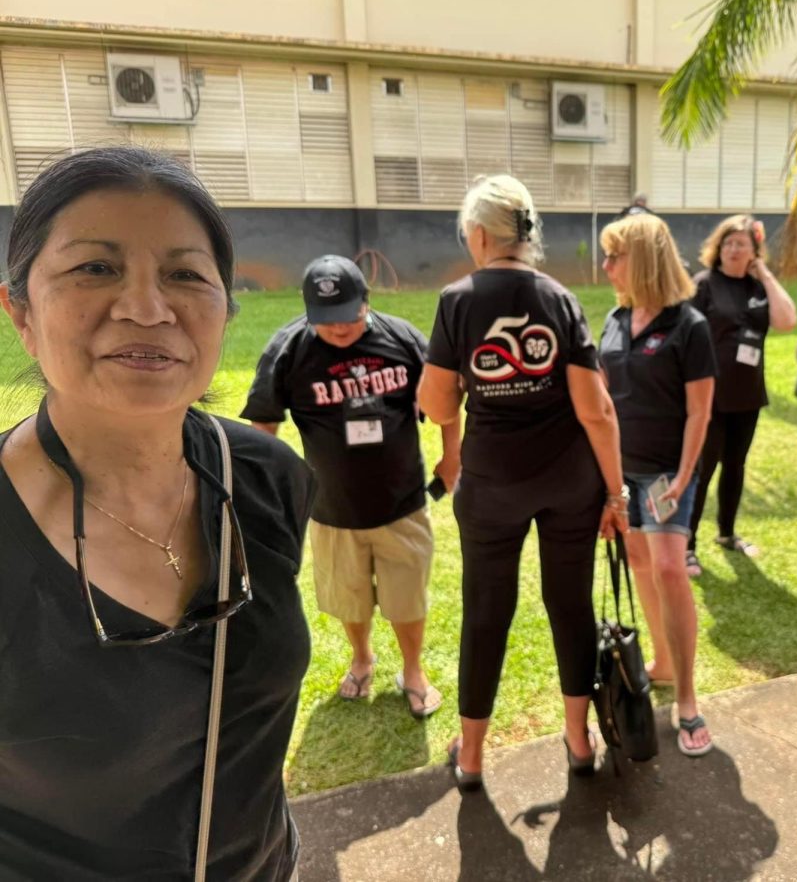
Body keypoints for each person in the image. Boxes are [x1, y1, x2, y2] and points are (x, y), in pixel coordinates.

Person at [0, 146, 315, 879]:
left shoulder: (268, 480)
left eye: (184, 274)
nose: (147, 308)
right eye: (95, 268)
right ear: (20, 312)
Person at [416, 174, 627, 791]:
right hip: (570, 483)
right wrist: (616, 495)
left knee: (487, 611)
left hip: (493, 485)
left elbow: (437, 404)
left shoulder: (458, 300)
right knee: (571, 605)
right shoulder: (561, 299)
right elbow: (598, 410)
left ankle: (474, 756)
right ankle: (579, 739)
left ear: (479, 235)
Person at [241, 254, 460, 715]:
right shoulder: (291, 348)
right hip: (331, 508)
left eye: (348, 317)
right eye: (326, 321)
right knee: (350, 596)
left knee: (406, 595)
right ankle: (362, 659)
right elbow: (264, 425)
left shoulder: (402, 340)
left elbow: (446, 403)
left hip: (401, 502)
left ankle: (414, 669)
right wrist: (269, 489)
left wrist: (452, 455)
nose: (339, 330)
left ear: (366, 301)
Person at [598, 213, 716, 756]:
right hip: (623, 472)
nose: (606, 266)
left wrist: (686, 477)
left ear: (641, 260)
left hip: (669, 472)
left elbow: (699, 413)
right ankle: (664, 665)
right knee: (641, 565)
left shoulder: (688, 325)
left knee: (670, 568)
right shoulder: (615, 319)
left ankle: (688, 697)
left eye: (615, 255)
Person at [687, 214, 797, 574]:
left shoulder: (757, 287)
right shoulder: (703, 284)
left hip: (747, 395)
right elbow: (685, 337)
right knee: (703, 469)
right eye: (729, 243)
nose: (734, 250)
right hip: (710, 396)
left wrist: (764, 275)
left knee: (736, 465)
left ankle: (727, 533)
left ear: (754, 251)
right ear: (718, 248)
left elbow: (786, 322)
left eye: (742, 244)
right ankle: (687, 544)